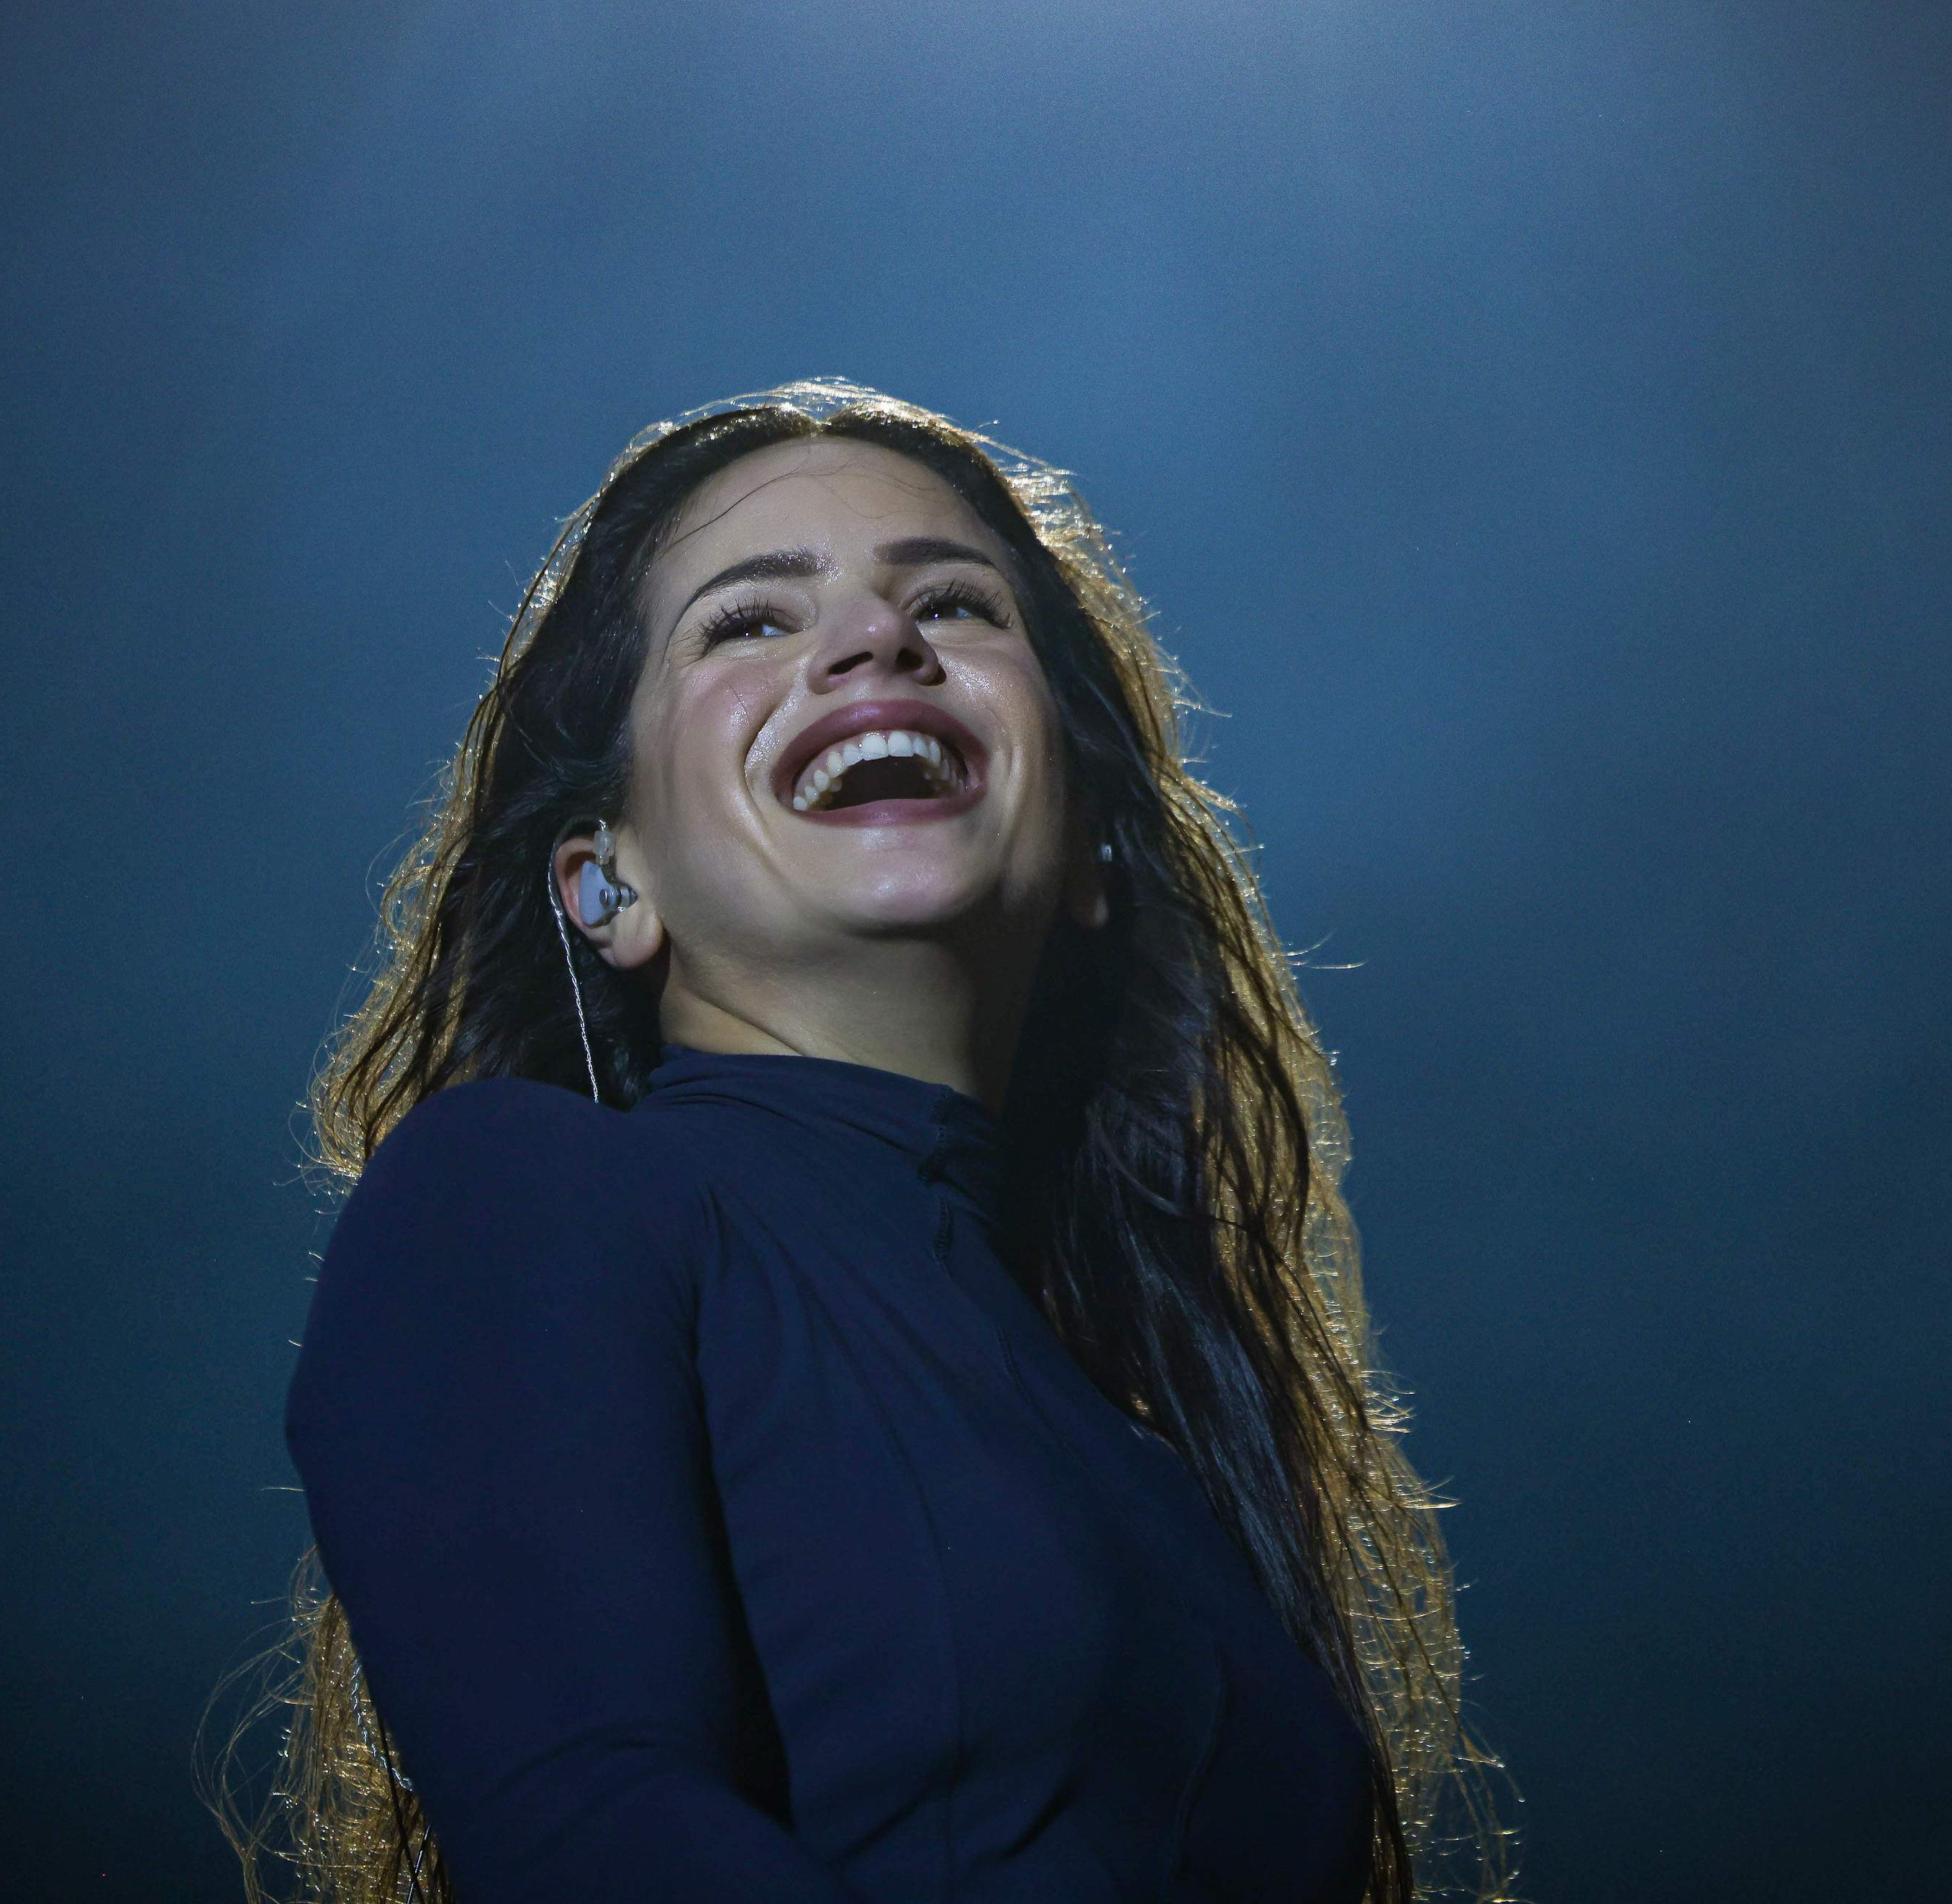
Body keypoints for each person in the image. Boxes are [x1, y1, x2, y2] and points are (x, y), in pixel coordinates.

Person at [216, 383, 1500, 1903]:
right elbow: (593, 1834)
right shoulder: (524, 1195)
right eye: (747, 622)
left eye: (952, 604)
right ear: (603, 885)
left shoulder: (1153, 1442)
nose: (878, 643)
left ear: (1092, 843)